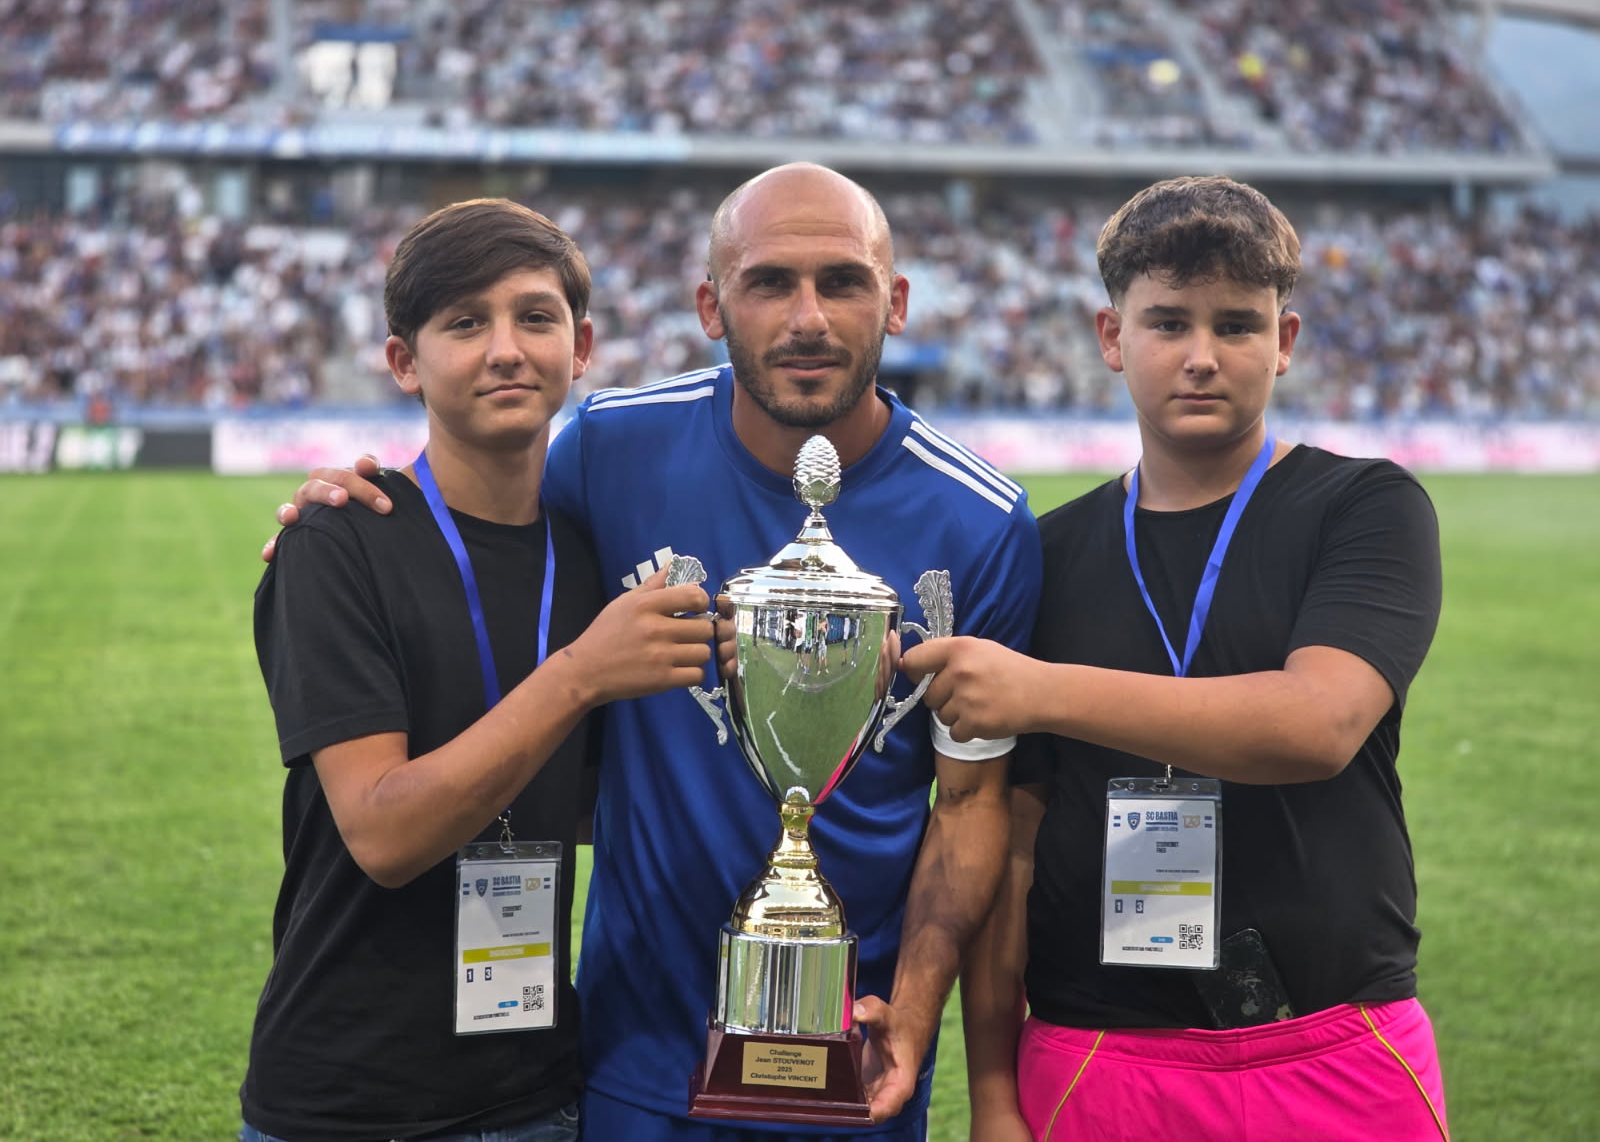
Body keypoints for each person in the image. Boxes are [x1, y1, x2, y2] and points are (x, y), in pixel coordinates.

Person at [268, 163, 1043, 1140]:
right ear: (710, 306)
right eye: (769, 282)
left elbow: (971, 805)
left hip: (854, 1060)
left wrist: (918, 1009)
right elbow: (479, 527)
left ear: (893, 300)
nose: (807, 317)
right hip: (629, 1064)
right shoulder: (608, 449)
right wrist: (354, 501)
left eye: (841, 281)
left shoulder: (982, 520)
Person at [903, 175, 1448, 1141]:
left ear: (1283, 343)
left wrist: (1042, 691)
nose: (1201, 357)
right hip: (1099, 1053)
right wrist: (992, 1094)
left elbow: (1316, 724)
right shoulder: (1050, 551)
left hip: (1337, 1042)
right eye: (1168, 323)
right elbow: (1013, 845)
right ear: (1112, 338)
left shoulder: (1365, 508)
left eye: (1237, 325)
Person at [245, 199, 713, 1142]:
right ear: (404, 362)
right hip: (350, 1100)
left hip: (540, 1093)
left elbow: (586, 806)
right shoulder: (339, 543)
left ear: (580, 348)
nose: (506, 348)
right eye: (466, 323)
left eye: (535, 318)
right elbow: (385, 833)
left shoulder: (591, 558)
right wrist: (581, 674)